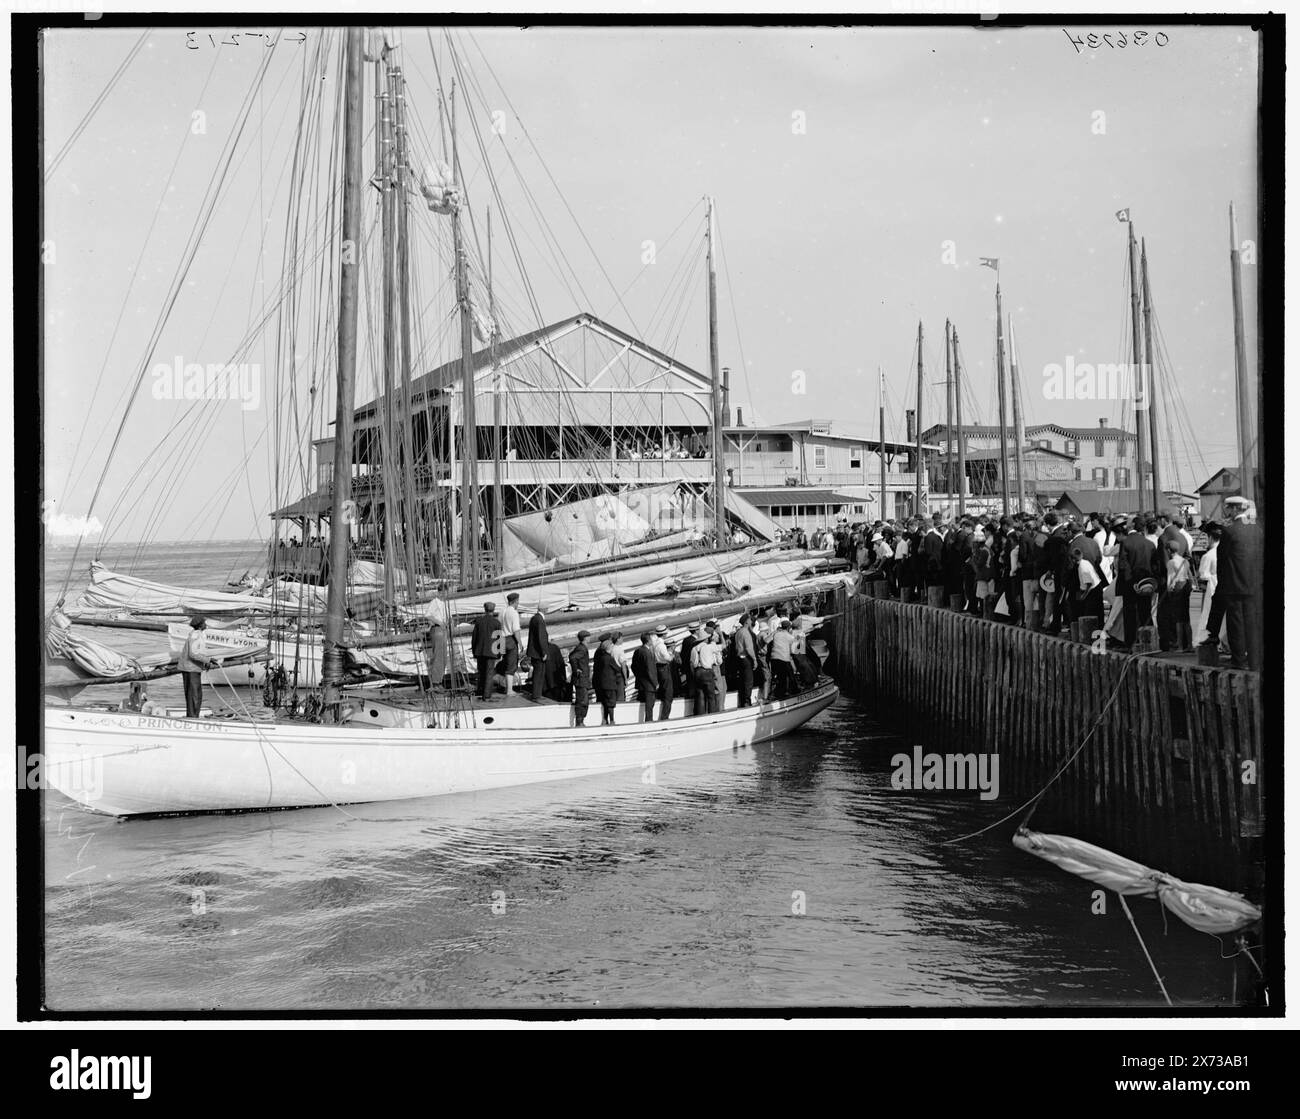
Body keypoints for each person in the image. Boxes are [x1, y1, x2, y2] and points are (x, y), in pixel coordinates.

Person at [1204, 496, 1262, 670]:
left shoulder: (1229, 531)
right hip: (1254, 583)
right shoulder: (1257, 529)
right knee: (1252, 624)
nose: (1227, 511)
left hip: (1234, 585)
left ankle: (1239, 661)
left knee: (1236, 623)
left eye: (1228, 508)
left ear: (1235, 509)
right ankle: (1254, 661)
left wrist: (1222, 586)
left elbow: (1223, 560)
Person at [1116, 517, 1157, 648]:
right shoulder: (1150, 544)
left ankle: (1130, 642)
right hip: (1146, 582)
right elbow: (1155, 565)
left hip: (1131, 584)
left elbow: (1123, 566)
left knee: (1130, 614)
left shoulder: (1126, 543)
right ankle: (1149, 641)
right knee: (1146, 612)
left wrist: (1130, 582)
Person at [1193, 522, 1227, 649]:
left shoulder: (1208, 555)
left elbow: (1202, 575)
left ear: (1211, 538)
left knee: (1208, 614)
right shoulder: (1224, 551)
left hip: (1211, 587)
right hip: (1222, 584)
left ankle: (1206, 638)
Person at [178, 615, 219, 718]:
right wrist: (208, 660)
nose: (206, 625)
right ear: (200, 625)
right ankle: (192, 717)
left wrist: (205, 662)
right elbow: (193, 653)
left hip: (191, 668)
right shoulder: (196, 635)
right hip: (191, 669)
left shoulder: (196, 634)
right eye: (204, 623)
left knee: (193, 695)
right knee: (194, 696)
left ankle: (192, 715)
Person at [470, 602, 502, 701]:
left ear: (485, 609)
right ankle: (487, 695)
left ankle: (480, 690)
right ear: (493, 610)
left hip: (480, 651)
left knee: (481, 672)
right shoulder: (497, 623)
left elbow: (474, 638)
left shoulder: (479, 622)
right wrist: (500, 652)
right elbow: (499, 639)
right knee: (489, 673)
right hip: (491, 652)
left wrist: (474, 651)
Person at [593, 634, 622, 725]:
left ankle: (605, 720)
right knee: (610, 703)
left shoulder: (600, 657)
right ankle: (612, 720)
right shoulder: (609, 658)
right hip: (609, 683)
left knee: (604, 702)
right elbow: (617, 668)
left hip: (601, 683)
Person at [631, 632, 659, 722]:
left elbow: (633, 666)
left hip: (640, 682)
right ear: (648, 641)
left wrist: (638, 675)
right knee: (649, 705)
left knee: (642, 703)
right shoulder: (647, 653)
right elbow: (650, 670)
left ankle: (641, 721)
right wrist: (655, 683)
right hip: (649, 684)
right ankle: (649, 721)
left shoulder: (638, 651)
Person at [651, 624, 676, 720]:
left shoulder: (654, 644)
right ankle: (665, 717)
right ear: (664, 634)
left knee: (662, 691)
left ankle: (661, 714)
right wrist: (672, 653)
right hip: (664, 668)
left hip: (657, 667)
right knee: (668, 693)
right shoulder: (661, 645)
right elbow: (668, 658)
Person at [500, 591, 523, 695]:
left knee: (505, 663)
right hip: (510, 639)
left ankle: (506, 687)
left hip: (502, 639)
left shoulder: (502, 612)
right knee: (511, 665)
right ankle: (509, 690)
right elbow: (516, 630)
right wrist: (521, 644)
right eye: (518, 602)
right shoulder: (513, 612)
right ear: (515, 601)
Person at [569, 630, 592, 726]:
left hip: (582, 678)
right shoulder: (582, 649)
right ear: (585, 638)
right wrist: (576, 669)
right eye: (589, 637)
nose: (590, 638)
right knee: (582, 700)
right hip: (581, 678)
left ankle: (581, 720)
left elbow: (571, 655)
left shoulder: (580, 647)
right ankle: (580, 721)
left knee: (583, 699)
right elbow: (573, 658)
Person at [526, 605, 549, 701]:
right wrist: (543, 652)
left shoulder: (534, 618)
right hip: (538, 652)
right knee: (539, 673)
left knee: (538, 672)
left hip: (534, 651)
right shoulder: (540, 620)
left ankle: (537, 694)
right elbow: (541, 637)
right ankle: (536, 695)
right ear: (544, 609)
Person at [732, 613, 756, 707]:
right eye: (750, 620)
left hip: (739, 658)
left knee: (742, 680)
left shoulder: (738, 632)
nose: (751, 621)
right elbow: (749, 648)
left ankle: (742, 701)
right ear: (747, 621)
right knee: (748, 681)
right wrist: (754, 659)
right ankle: (747, 701)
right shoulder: (746, 632)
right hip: (746, 658)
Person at [769, 618, 796, 699]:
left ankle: (778, 692)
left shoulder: (776, 634)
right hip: (783, 659)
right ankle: (782, 694)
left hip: (773, 658)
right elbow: (795, 650)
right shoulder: (790, 637)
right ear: (789, 628)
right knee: (786, 677)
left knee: (780, 677)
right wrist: (801, 636)